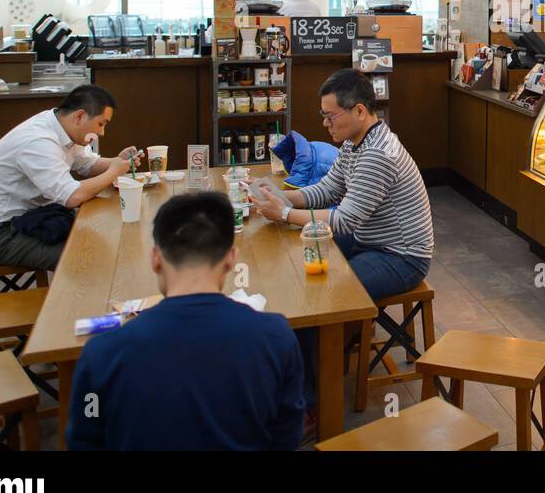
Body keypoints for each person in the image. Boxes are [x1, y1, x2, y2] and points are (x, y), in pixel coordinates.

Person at [66, 191, 304, 451]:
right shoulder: (277, 338)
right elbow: (287, 436)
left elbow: (85, 437)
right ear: (231, 260)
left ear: (156, 259)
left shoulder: (100, 354)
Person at [249, 68, 432, 301]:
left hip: (401, 256)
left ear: (359, 111)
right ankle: (347, 331)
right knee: (301, 252)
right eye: (323, 115)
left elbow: (344, 220)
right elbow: (328, 189)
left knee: (329, 291)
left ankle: (337, 334)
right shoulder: (356, 141)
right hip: (368, 239)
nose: (325, 123)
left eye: (331, 116)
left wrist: (284, 212)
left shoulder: (378, 154)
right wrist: (275, 194)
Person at [0, 84, 140, 271]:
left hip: (31, 219)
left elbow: (87, 164)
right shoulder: (39, 141)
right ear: (79, 116)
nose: (101, 133)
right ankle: (76, 299)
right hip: (1, 235)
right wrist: (113, 172)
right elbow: (71, 196)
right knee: (90, 257)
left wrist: (117, 162)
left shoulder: (63, 128)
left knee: (104, 236)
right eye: (101, 124)